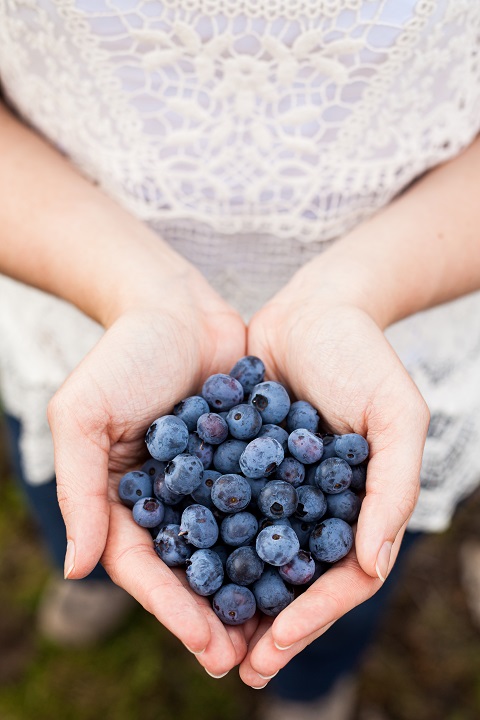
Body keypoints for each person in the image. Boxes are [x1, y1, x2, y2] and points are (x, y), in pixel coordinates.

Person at [1, 1, 480, 716]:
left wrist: (352, 293)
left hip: (403, 306)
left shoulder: (285, 463)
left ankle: (311, 684)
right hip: (85, 307)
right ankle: (93, 581)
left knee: (354, 559)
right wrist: (134, 292)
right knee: (77, 493)